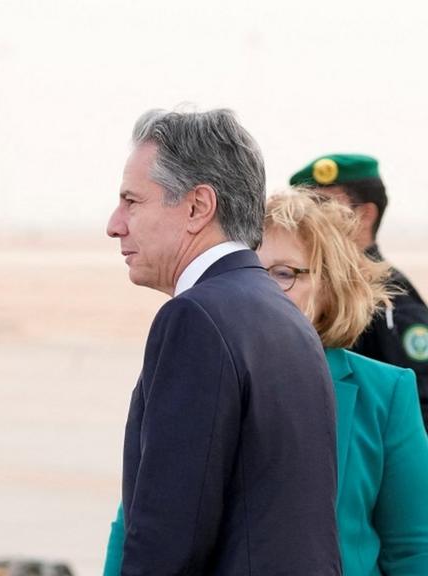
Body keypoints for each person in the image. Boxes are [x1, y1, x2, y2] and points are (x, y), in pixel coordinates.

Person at [104, 189, 428, 575]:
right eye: (251, 272)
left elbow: (413, 549)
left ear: (329, 286)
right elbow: (138, 527)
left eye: (283, 274)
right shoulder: (190, 376)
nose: (261, 290)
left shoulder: (384, 394)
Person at [105, 109, 340, 574]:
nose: (115, 224)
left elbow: (171, 534)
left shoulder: (197, 317)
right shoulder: (282, 314)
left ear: (197, 207)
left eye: (132, 201)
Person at [291, 154, 428, 429]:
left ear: (365, 215)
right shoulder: (319, 287)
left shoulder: (388, 298)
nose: (311, 218)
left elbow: (418, 404)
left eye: (323, 206)